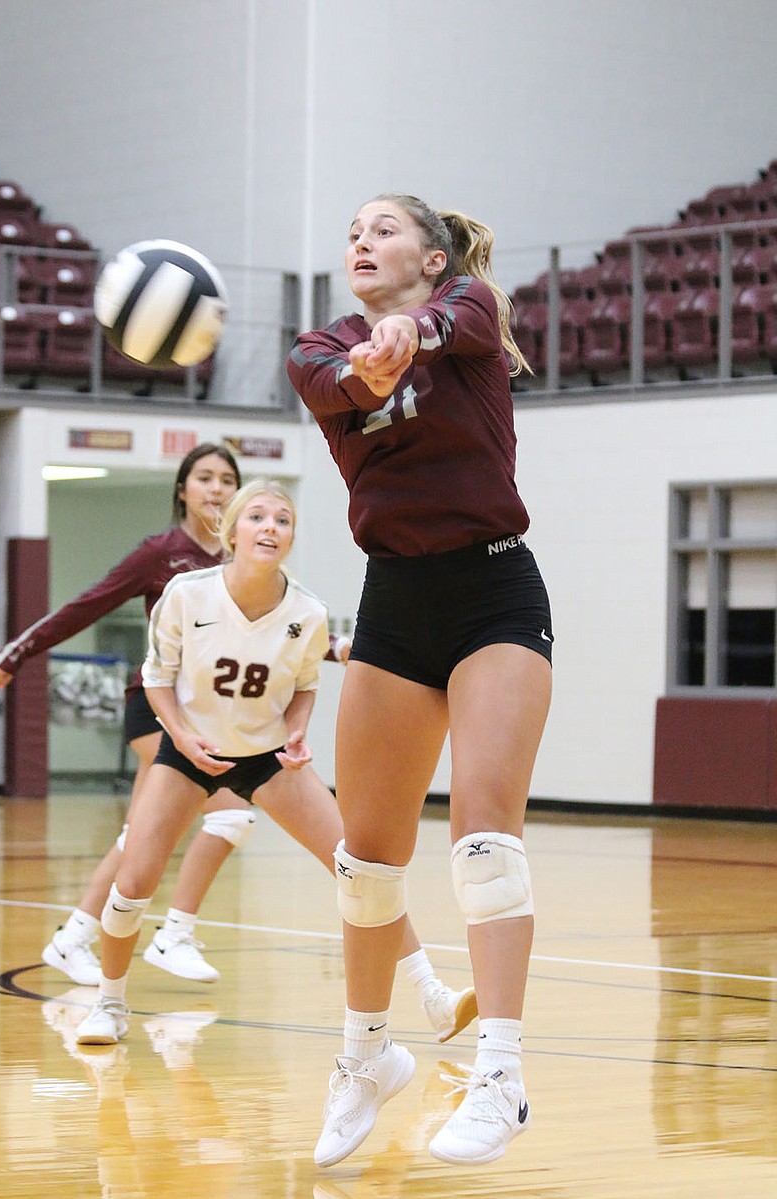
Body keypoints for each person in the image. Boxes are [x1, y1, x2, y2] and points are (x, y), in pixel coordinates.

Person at [286, 194, 553, 1167]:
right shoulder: (316, 350)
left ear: (432, 258)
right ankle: (364, 1055)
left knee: (483, 832)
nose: (359, 240)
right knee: (366, 860)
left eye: (382, 227)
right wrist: (368, 359)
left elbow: (451, 322)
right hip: (394, 599)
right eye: (350, 231)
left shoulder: (470, 311)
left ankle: (500, 1075)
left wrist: (410, 330)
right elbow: (337, 381)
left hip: (492, 589)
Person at [74, 478, 477, 1048]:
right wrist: (184, 738)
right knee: (133, 882)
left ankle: (432, 993)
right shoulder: (187, 594)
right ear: (231, 531)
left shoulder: (307, 613)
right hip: (189, 753)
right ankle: (110, 1005)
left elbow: (305, 683)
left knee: (359, 868)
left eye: (282, 519)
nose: (270, 527)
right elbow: (156, 678)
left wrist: (295, 730)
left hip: (265, 757)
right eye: (257, 516)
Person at [0, 443, 263, 985]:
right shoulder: (160, 552)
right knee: (231, 811)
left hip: (209, 715)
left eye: (227, 479)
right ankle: (175, 934)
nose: (216, 488)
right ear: (182, 490)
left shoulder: (243, 560)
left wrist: (336, 647)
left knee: (141, 834)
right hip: (156, 708)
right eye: (204, 477)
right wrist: (19, 651)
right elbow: (88, 604)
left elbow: (277, 626)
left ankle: (72, 939)